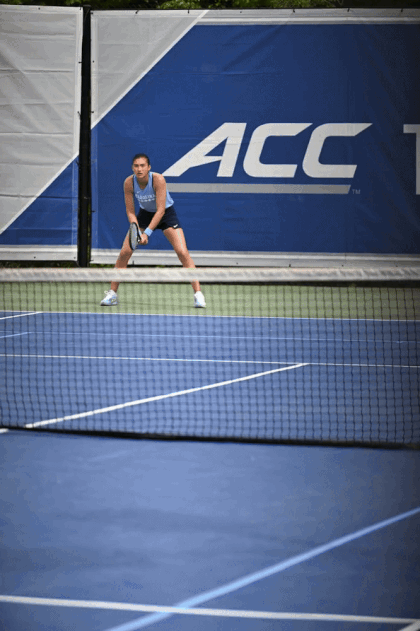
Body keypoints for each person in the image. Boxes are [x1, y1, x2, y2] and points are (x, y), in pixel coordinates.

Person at [100, 153, 206, 308]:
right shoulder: (129, 182)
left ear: (149, 167)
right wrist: (136, 230)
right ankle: (112, 294)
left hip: (166, 214)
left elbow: (161, 210)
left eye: (142, 166)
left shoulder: (158, 179)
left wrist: (146, 233)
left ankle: (198, 294)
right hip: (144, 215)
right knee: (125, 252)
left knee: (182, 252)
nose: (139, 169)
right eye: (136, 166)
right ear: (132, 168)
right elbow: (130, 211)